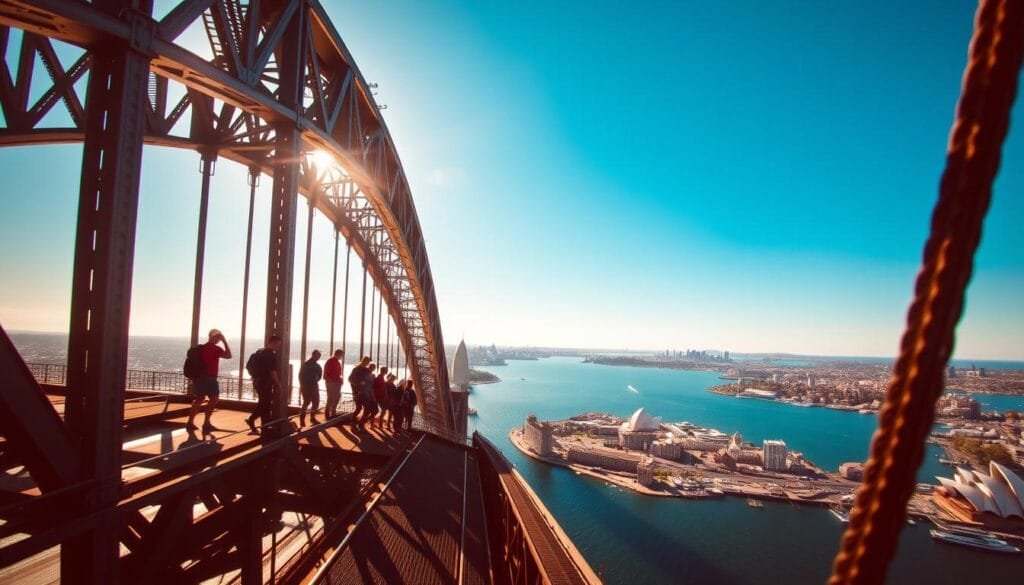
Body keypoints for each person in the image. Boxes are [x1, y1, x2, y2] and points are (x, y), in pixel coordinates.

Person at [187, 328, 232, 433]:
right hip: (210, 378)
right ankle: (206, 423)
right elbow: (228, 355)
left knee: (199, 399)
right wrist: (224, 341)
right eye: (218, 337)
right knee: (214, 399)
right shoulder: (215, 349)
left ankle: (190, 422)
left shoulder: (202, 348)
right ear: (214, 337)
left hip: (199, 377)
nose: (218, 340)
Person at [246, 335, 282, 435]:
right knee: (264, 404)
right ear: (273, 343)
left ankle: (264, 426)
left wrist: (255, 377)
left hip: (258, 382)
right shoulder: (271, 355)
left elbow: (248, 366)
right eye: (278, 345)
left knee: (264, 404)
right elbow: (272, 371)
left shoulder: (259, 352)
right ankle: (252, 420)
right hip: (266, 383)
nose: (278, 347)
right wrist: (278, 384)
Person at [298, 349, 323, 427]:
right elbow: (300, 376)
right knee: (306, 402)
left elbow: (320, 376)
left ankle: (312, 417)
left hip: (314, 385)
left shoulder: (317, 366)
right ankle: (302, 420)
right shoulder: (306, 364)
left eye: (319, 356)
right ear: (313, 355)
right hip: (306, 386)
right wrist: (302, 385)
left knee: (316, 402)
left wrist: (316, 380)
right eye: (316, 356)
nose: (318, 357)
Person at [348, 355, 371, 425]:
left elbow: (369, 381)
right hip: (358, 392)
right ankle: (354, 421)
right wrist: (358, 383)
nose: (366, 363)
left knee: (366, 408)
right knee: (359, 408)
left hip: (364, 392)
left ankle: (359, 423)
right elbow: (350, 379)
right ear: (363, 360)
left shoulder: (367, 370)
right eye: (366, 361)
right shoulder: (356, 369)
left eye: (368, 362)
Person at [356, 362, 378, 431]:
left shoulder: (370, 375)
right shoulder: (366, 375)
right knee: (368, 411)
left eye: (373, 368)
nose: (372, 369)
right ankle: (361, 424)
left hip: (369, 395)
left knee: (373, 410)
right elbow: (364, 384)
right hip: (365, 395)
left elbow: (371, 386)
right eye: (372, 368)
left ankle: (361, 423)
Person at [323, 349, 344, 419]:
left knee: (337, 396)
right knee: (331, 397)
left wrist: (340, 379)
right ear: (338, 354)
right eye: (341, 355)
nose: (342, 357)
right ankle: (328, 413)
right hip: (332, 382)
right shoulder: (331, 361)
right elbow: (327, 373)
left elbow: (338, 373)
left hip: (336, 382)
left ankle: (332, 412)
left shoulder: (336, 361)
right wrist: (332, 380)